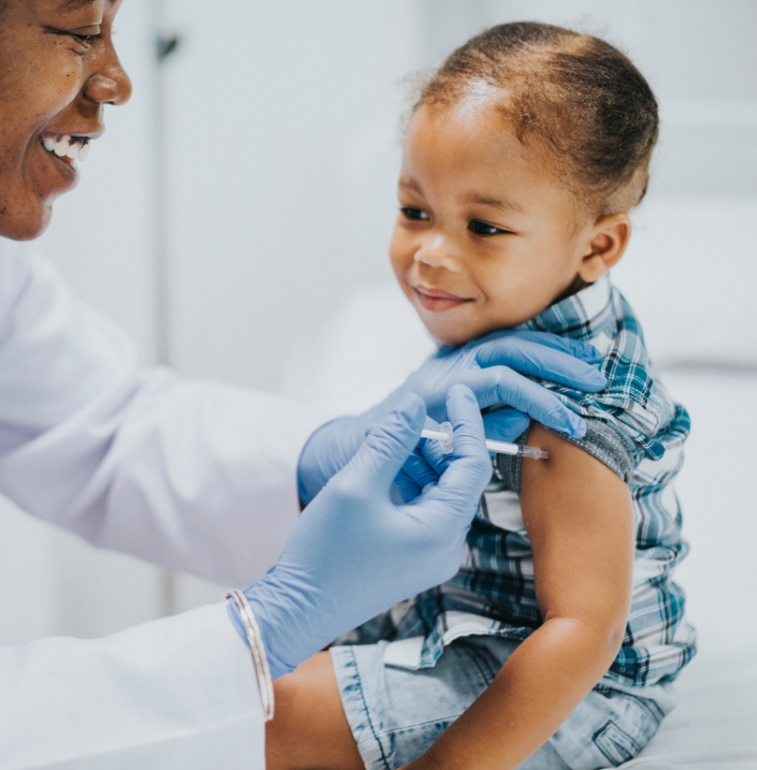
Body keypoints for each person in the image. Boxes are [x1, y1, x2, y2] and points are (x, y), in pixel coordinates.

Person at [0, 3, 608, 768]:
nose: (115, 79)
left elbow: (106, 426)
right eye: (78, 32)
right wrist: (268, 625)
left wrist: (324, 463)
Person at [267, 22, 695, 770]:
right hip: (472, 617)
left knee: (263, 717)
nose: (432, 252)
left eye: (484, 226)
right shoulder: (517, 307)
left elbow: (582, 632)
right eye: (414, 210)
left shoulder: (567, 410)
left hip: (570, 686)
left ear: (597, 246)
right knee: (243, 677)